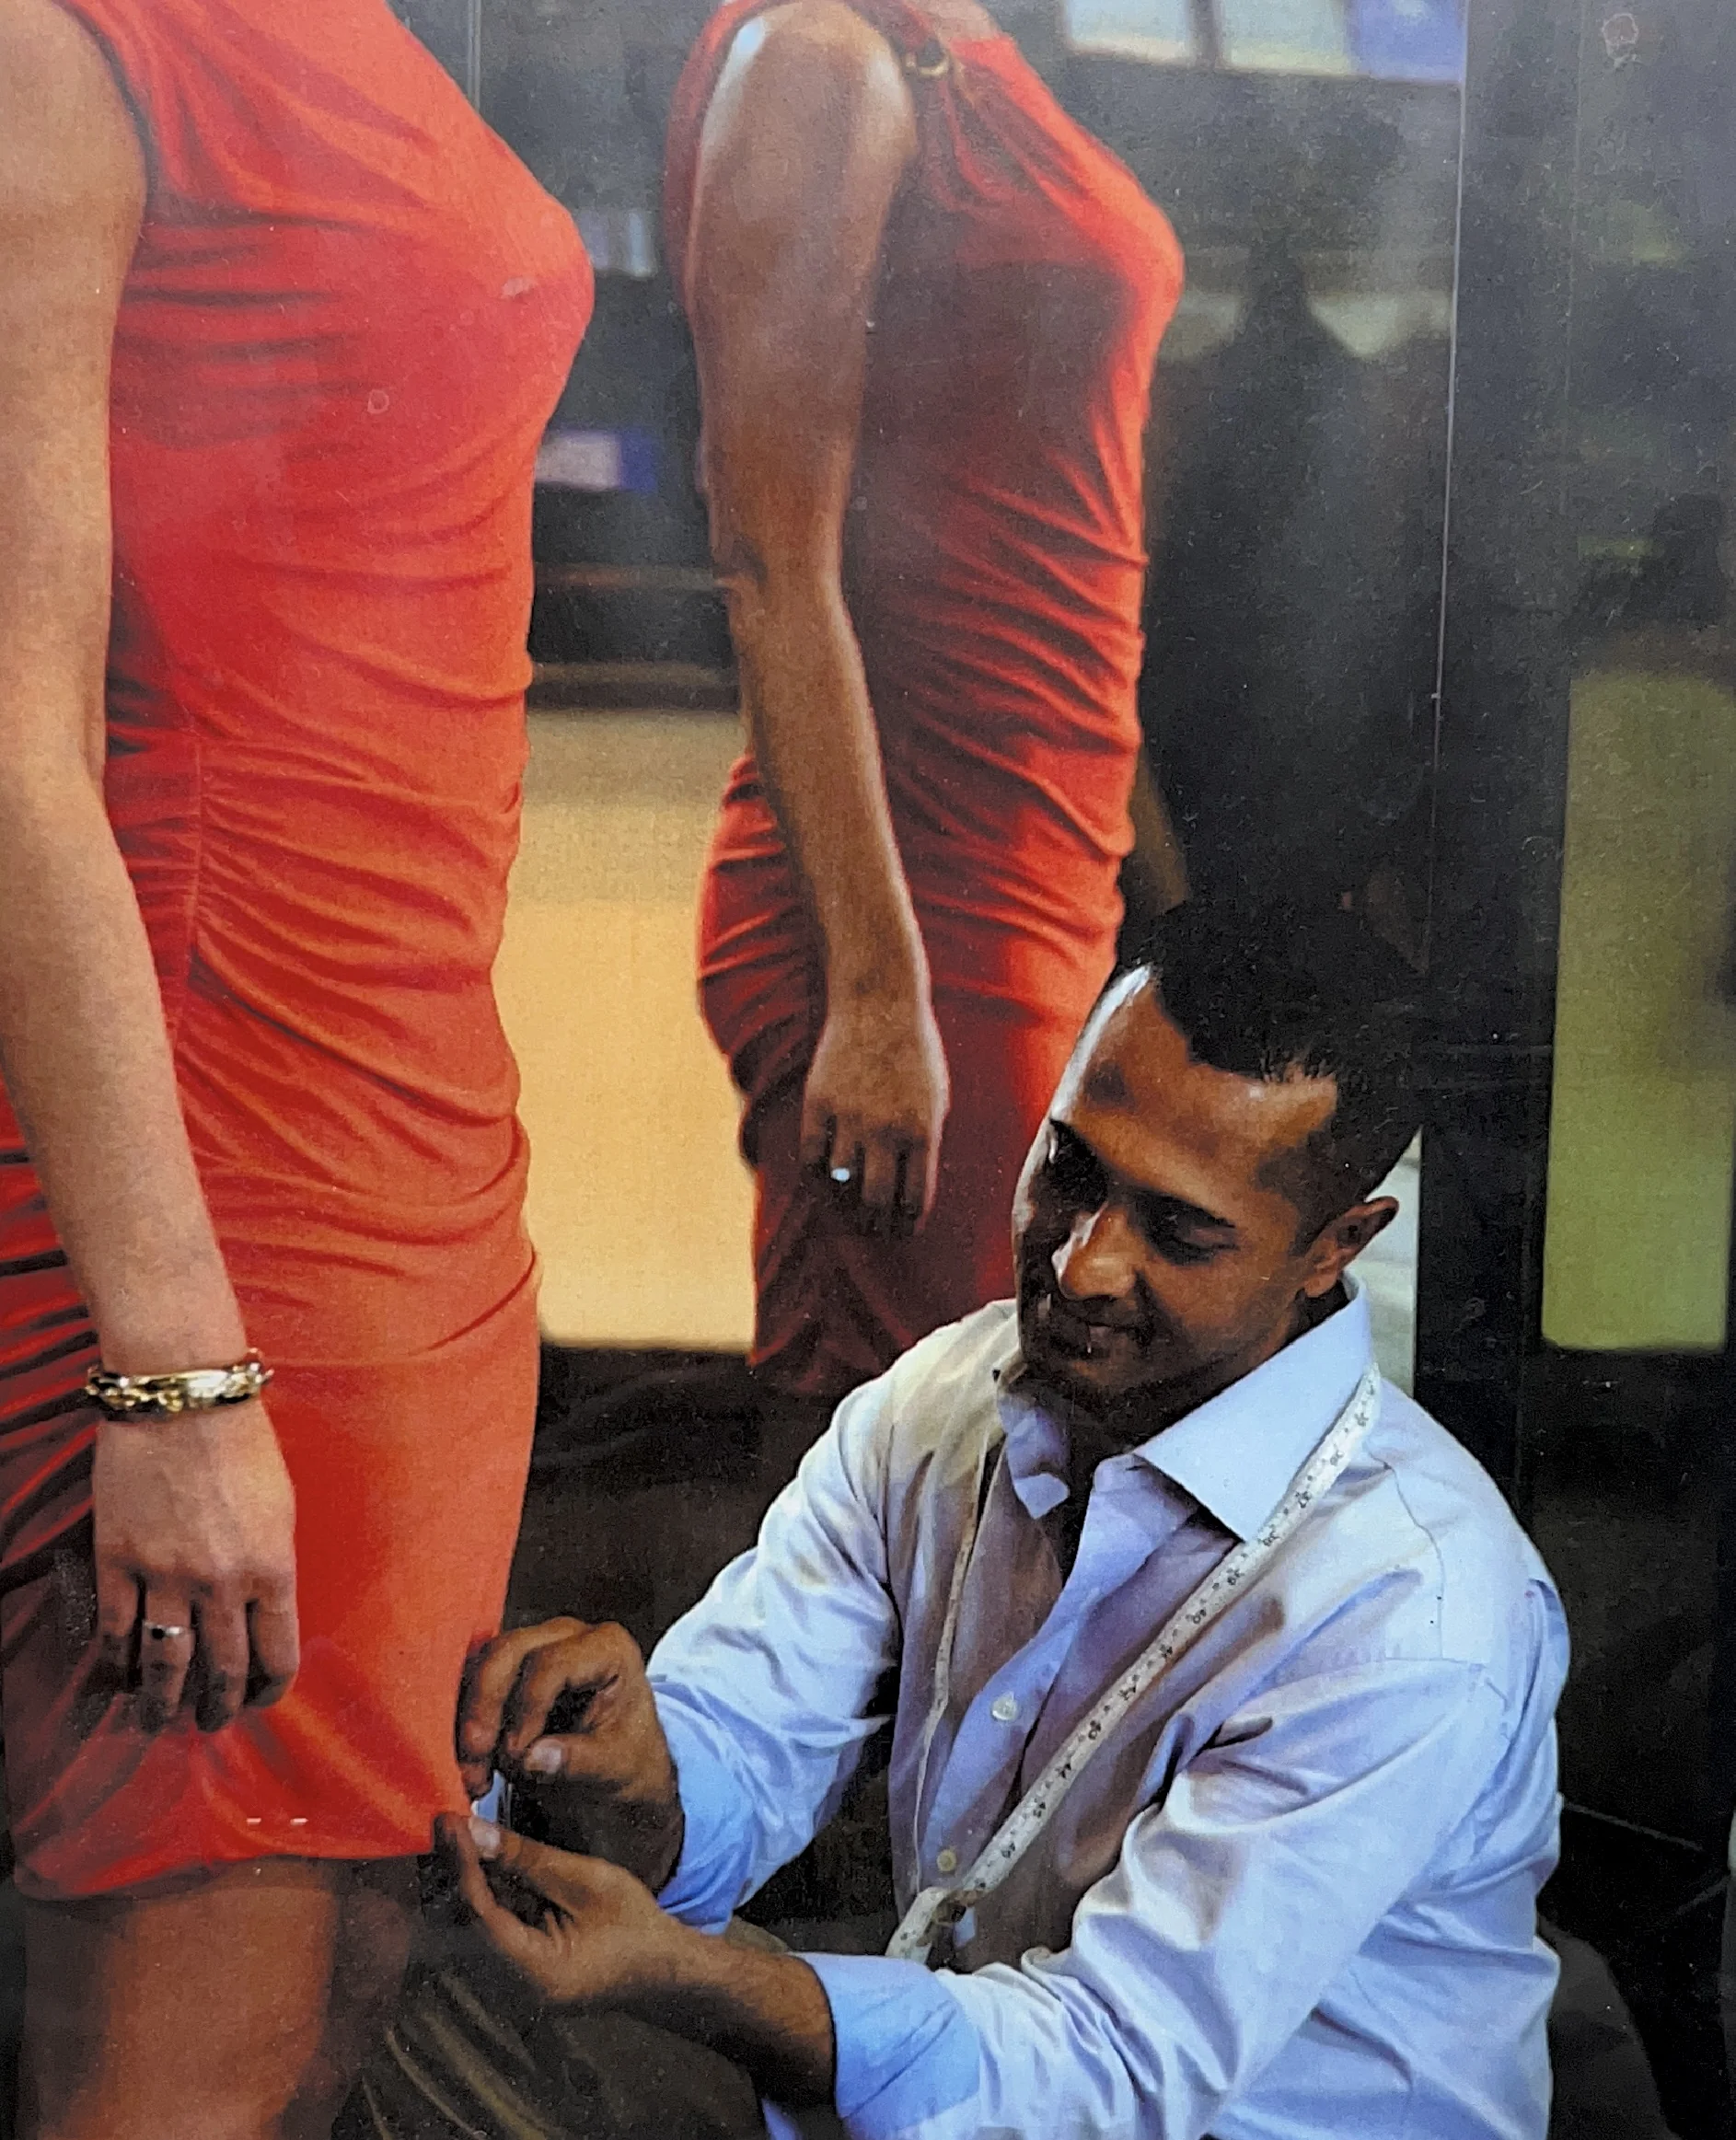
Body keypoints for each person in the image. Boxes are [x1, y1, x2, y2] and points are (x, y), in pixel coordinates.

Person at [347, 902, 1568, 2140]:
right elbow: (739, 1764)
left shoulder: (1414, 1604)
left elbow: (1110, 2075)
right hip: (995, 2088)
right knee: (388, 2007)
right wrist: (636, 1782)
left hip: (1119, 2107)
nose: (1083, 1264)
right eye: (1071, 1170)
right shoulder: (946, 1400)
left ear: (1336, 1245)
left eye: (1178, 1230)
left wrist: (698, 1981)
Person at [0, 0, 591, 2130]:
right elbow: (11, 749)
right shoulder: (60, 48)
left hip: (415, 1122)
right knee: (191, 2055)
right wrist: (169, 1367)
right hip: (219, 1164)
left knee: (331, 2007)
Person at [665, 0, 1187, 1405]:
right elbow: (766, 554)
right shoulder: (822, 58)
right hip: (916, 891)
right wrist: (877, 990)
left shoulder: (969, 48)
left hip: (1038, 849)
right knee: (924, 1450)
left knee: (996, 1451)